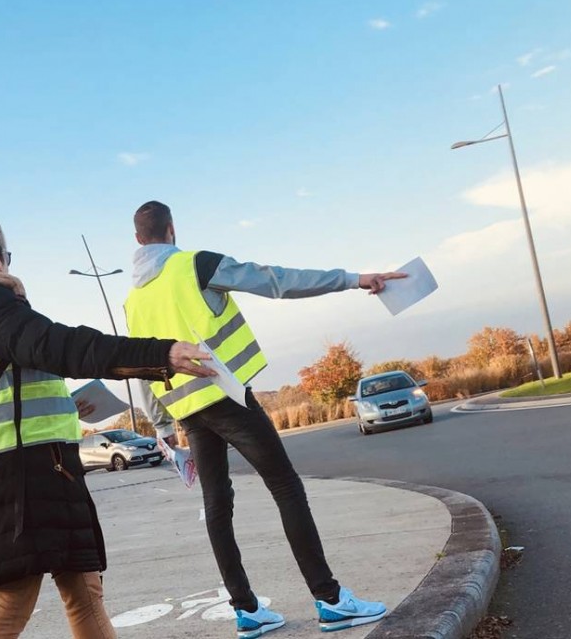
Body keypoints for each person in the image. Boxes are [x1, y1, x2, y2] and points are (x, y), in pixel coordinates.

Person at [123, 201, 404, 638]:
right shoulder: (195, 265)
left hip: (187, 413)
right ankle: (330, 600)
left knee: (217, 505)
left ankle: (247, 611)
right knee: (286, 486)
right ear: (171, 230)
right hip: (227, 397)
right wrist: (352, 279)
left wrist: (162, 430)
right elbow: (276, 280)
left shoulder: (133, 300)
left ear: (138, 240)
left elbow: (142, 371)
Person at [0, 214, 213, 639]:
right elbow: (63, 345)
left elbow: (17, 382)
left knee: (83, 590)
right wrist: (161, 352)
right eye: (7, 255)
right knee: (13, 604)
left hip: (36, 467)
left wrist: (65, 403)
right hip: (18, 476)